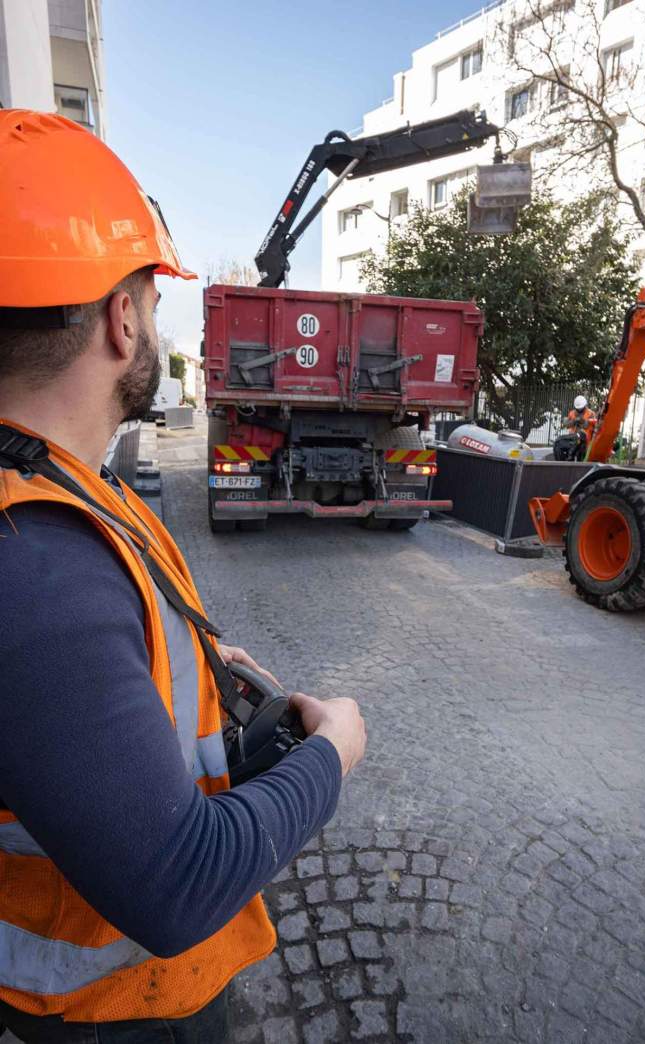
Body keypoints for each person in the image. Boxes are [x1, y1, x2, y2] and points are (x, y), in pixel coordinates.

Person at [0, 109, 366, 1043]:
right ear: (121, 320)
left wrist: (182, 662)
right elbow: (177, 884)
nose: (157, 325)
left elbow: (72, 670)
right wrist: (333, 754)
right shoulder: (34, 556)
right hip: (112, 1011)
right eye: (154, 302)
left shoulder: (63, 485)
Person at [564, 395, 597, 459]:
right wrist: (574, 421)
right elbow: (567, 425)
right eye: (578, 409)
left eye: (581, 409)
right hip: (572, 438)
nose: (579, 410)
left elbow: (588, 426)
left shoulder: (591, 414)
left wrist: (582, 421)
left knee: (582, 455)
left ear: (585, 406)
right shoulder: (572, 413)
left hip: (585, 440)